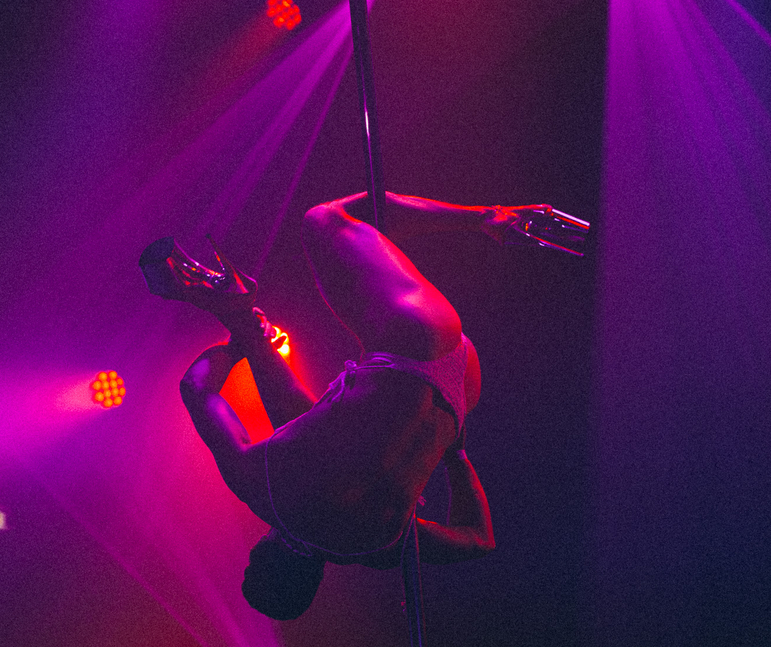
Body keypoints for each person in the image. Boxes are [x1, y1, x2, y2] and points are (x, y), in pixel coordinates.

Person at [141, 192, 535, 619]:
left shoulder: (378, 550)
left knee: (305, 431)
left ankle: (240, 316)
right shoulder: (259, 488)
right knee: (324, 220)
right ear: (258, 554)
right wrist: (237, 343)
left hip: (461, 385)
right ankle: (488, 217)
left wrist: (455, 452)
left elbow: (479, 539)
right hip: (411, 342)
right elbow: (196, 389)